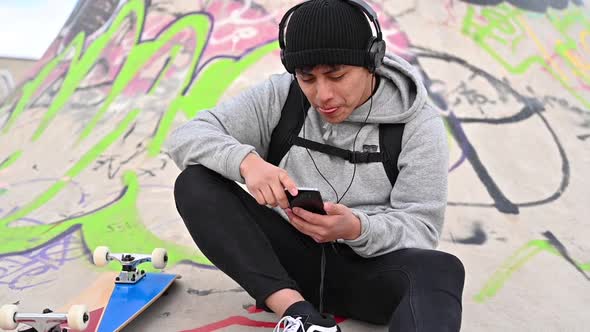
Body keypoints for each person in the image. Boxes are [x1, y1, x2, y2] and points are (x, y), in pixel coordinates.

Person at [165, 0, 465, 331]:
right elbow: (185, 136)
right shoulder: (280, 96)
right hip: (288, 266)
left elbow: (421, 230)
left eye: (337, 76)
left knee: (443, 268)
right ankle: (299, 317)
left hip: (369, 271)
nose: (322, 95)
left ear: (372, 62)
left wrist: (357, 228)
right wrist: (247, 162)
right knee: (195, 183)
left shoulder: (417, 124)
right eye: (308, 78)